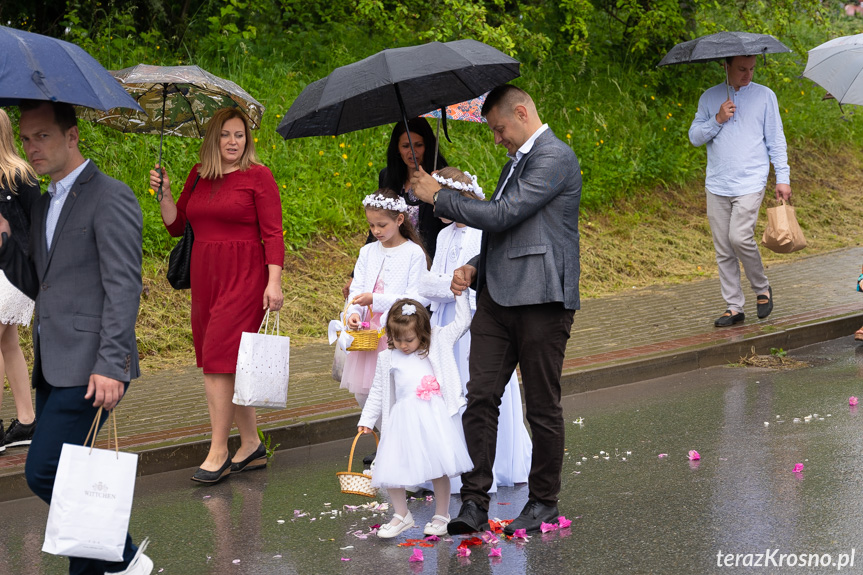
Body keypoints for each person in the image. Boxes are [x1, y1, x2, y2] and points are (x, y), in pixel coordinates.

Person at [411, 84, 582, 536]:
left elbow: (505, 214)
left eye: (499, 128)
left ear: (522, 112)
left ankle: (543, 501)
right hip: (497, 299)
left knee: (542, 407)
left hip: (543, 299)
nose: (497, 138)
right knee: (480, 397)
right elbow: (512, 234)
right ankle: (474, 502)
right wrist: (473, 266)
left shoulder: (554, 156)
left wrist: (438, 197)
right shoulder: (516, 162)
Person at [0, 100, 149, 574]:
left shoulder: (111, 195)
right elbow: (41, 279)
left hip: (92, 366)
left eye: (42, 136)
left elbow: (124, 287)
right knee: (73, 476)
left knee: (43, 469)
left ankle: (126, 562)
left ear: (72, 137)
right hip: (55, 363)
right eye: (25, 138)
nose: (31, 147)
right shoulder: (44, 200)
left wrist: (111, 362)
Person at [149, 107, 284, 485]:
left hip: (244, 276)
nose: (233, 142)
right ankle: (253, 444)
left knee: (218, 360)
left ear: (248, 140)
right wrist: (167, 194)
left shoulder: (258, 176)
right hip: (206, 278)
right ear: (213, 138)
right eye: (225, 134)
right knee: (229, 361)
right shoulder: (199, 174)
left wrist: (274, 282)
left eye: (239, 135)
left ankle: (219, 450)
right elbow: (177, 226)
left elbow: (273, 233)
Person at [418, 167, 532, 490]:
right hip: (444, 323)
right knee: (447, 390)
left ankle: (489, 463)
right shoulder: (443, 236)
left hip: (471, 321)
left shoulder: (480, 231)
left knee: (475, 389)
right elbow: (431, 281)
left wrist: (447, 283)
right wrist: (443, 284)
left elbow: (472, 280)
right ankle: (450, 467)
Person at [357, 296, 473, 538]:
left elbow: (463, 323)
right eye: (397, 339)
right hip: (401, 419)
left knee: (438, 466)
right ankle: (402, 514)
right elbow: (378, 390)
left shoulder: (437, 343)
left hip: (432, 416)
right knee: (391, 465)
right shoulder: (387, 357)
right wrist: (367, 419)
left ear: (422, 332)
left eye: (409, 339)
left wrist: (461, 295)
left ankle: (442, 514)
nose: (403, 345)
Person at [689, 55, 791, 327]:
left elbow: (776, 139)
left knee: (739, 237)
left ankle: (762, 287)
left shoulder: (765, 96)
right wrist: (718, 119)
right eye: (742, 69)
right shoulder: (710, 98)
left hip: (751, 180)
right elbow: (695, 137)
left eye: (752, 69)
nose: (748, 75)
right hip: (717, 183)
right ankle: (734, 306)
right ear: (726, 66)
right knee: (723, 248)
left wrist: (783, 177)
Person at [341, 189, 430, 408]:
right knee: (366, 396)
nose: (376, 230)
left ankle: (396, 438)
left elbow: (416, 297)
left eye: (382, 225)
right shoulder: (368, 251)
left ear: (400, 219)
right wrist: (353, 313)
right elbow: (357, 289)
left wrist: (375, 299)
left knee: (395, 392)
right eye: (371, 225)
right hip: (368, 332)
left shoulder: (413, 253)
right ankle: (383, 439)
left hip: (398, 329)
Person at [342, 118, 447, 298]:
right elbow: (379, 222)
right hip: (394, 257)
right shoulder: (388, 176)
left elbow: (447, 225)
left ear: (428, 145)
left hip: (428, 259)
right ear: (397, 148)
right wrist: (355, 275)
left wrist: (439, 191)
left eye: (418, 145)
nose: (412, 152)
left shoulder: (440, 178)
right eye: (406, 146)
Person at [0, 108, 39, 454]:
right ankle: (27, 421)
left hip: (14, 274)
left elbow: (37, 225)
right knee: (7, 343)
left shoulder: (19, 175)